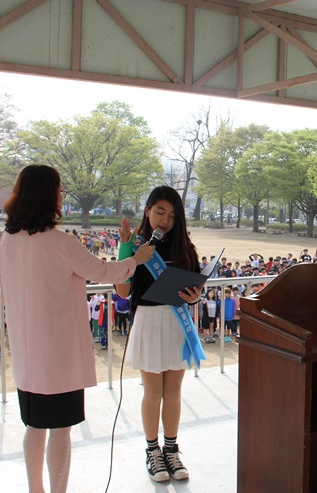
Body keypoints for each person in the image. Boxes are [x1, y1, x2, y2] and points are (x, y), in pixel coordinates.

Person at [0, 164, 154, 493]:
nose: (61, 196)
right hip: (58, 353)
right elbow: (104, 272)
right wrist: (136, 259)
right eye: (60, 190)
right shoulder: (60, 242)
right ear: (49, 196)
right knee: (61, 430)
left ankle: (35, 489)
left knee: (35, 426)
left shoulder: (5, 241)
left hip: (27, 351)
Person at [115, 185, 203, 483]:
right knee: (153, 393)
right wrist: (127, 250)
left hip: (176, 320)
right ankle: (153, 452)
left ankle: (171, 449)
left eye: (172, 215)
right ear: (147, 211)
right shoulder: (138, 246)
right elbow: (123, 291)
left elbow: (194, 288)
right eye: (160, 212)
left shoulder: (185, 248)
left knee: (174, 392)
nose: (165, 220)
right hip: (149, 321)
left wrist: (193, 297)